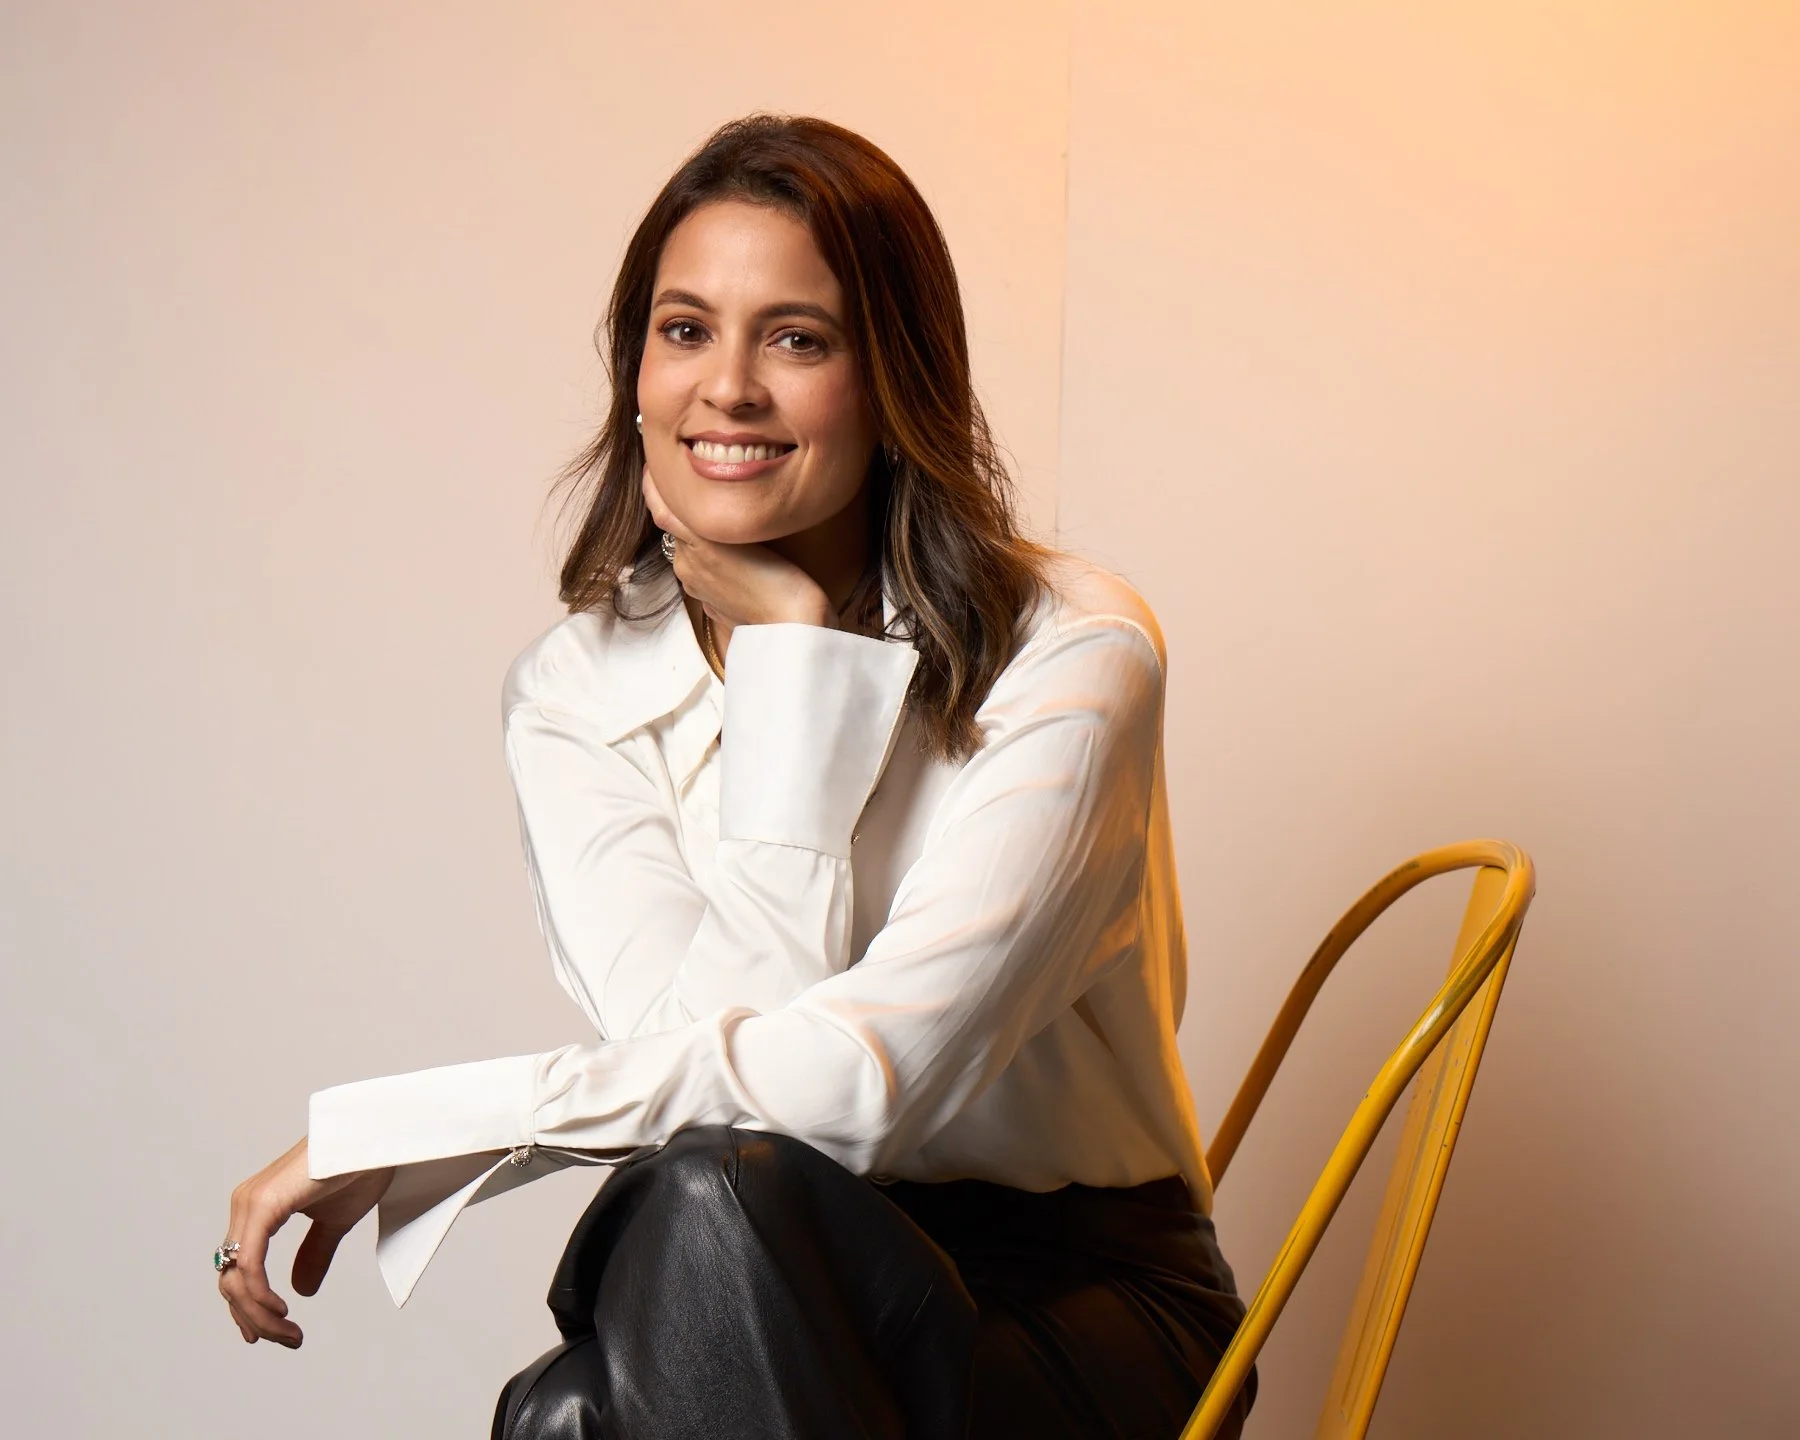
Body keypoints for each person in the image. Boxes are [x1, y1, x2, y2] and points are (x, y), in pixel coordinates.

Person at [216, 113, 1258, 1440]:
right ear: (635, 374)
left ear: (894, 383)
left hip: (1076, 1310)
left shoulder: (1070, 651)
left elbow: (858, 1093)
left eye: (799, 339)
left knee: (605, 1368)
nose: (729, 389)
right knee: (705, 1215)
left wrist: (439, 1125)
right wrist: (791, 674)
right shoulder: (575, 695)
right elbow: (708, 1078)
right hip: (736, 1268)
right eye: (686, 330)